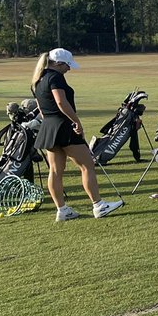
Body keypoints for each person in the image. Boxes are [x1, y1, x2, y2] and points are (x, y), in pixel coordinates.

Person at [31, 48, 124, 221]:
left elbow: (42, 110)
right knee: (87, 165)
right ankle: (99, 206)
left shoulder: (38, 79)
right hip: (64, 126)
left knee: (55, 171)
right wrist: (76, 122)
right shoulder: (55, 77)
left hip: (49, 127)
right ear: (58, 63)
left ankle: (62, 210)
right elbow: (61, 102)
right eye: (67, 65)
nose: (69, 68)